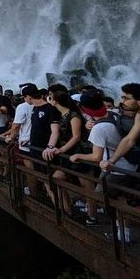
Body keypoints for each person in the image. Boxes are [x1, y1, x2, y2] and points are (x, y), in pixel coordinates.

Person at [70, 93, 138, 231]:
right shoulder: (113, 115)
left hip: (114, 169)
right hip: (130, 165)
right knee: (119, 198)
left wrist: (78, 156)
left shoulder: (99, 128)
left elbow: (96, 157)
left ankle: (110, 227)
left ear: (84, 109)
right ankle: (124, 231)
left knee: (99, 198)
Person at [43, 90, 95, 220]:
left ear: (56, 101)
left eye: (51, 98)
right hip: (67, 155)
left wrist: (61, 149)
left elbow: (76, 137)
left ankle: (92, 216)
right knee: (53, 179)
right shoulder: (62, 114)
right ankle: (68, 209)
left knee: (87, 187)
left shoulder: (74, 115)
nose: (49, 100)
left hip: (78, 153)